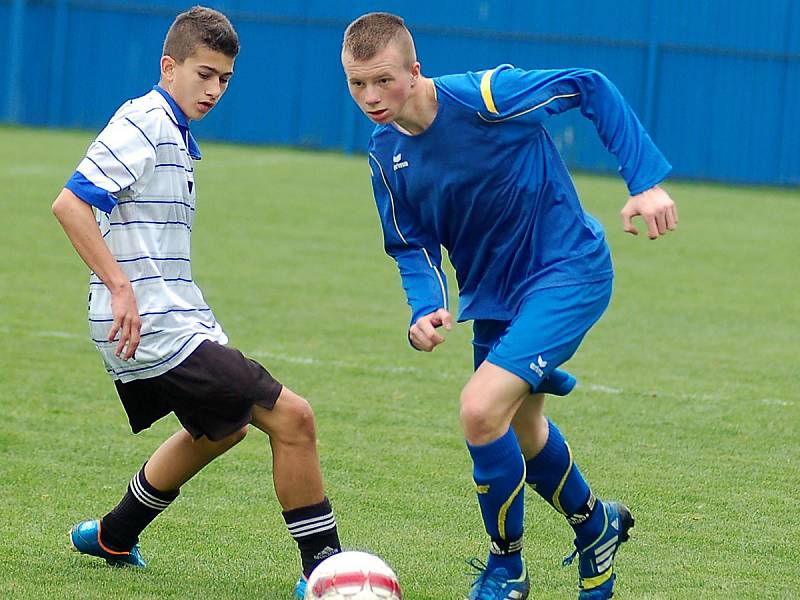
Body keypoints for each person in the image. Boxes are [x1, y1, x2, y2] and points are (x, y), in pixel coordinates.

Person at [341, 12, 678, 600]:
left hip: (566, 271)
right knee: (520, 426)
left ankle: (507, 569)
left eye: (383, 81)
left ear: (415, 71)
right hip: (494, 297)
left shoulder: (488, 97)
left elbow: (589, 83)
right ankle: (596, 526)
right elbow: (410, 242)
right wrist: (425, 307)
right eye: (357, 84)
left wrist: (643, 182)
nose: (371, 97)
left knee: (478, 409)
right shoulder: (384, 151)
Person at [52, 7, 339, 598]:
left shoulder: (175, 131)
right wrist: (119, 285)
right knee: (293, 417)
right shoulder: (144, 120)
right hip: (148, 323)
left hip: (173, 316)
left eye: (224, 79)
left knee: (223, 428)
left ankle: (114, 532)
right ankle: (324, 571)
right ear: (170, 66)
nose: (214, 89)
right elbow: (70, 204)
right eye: (204, 73)